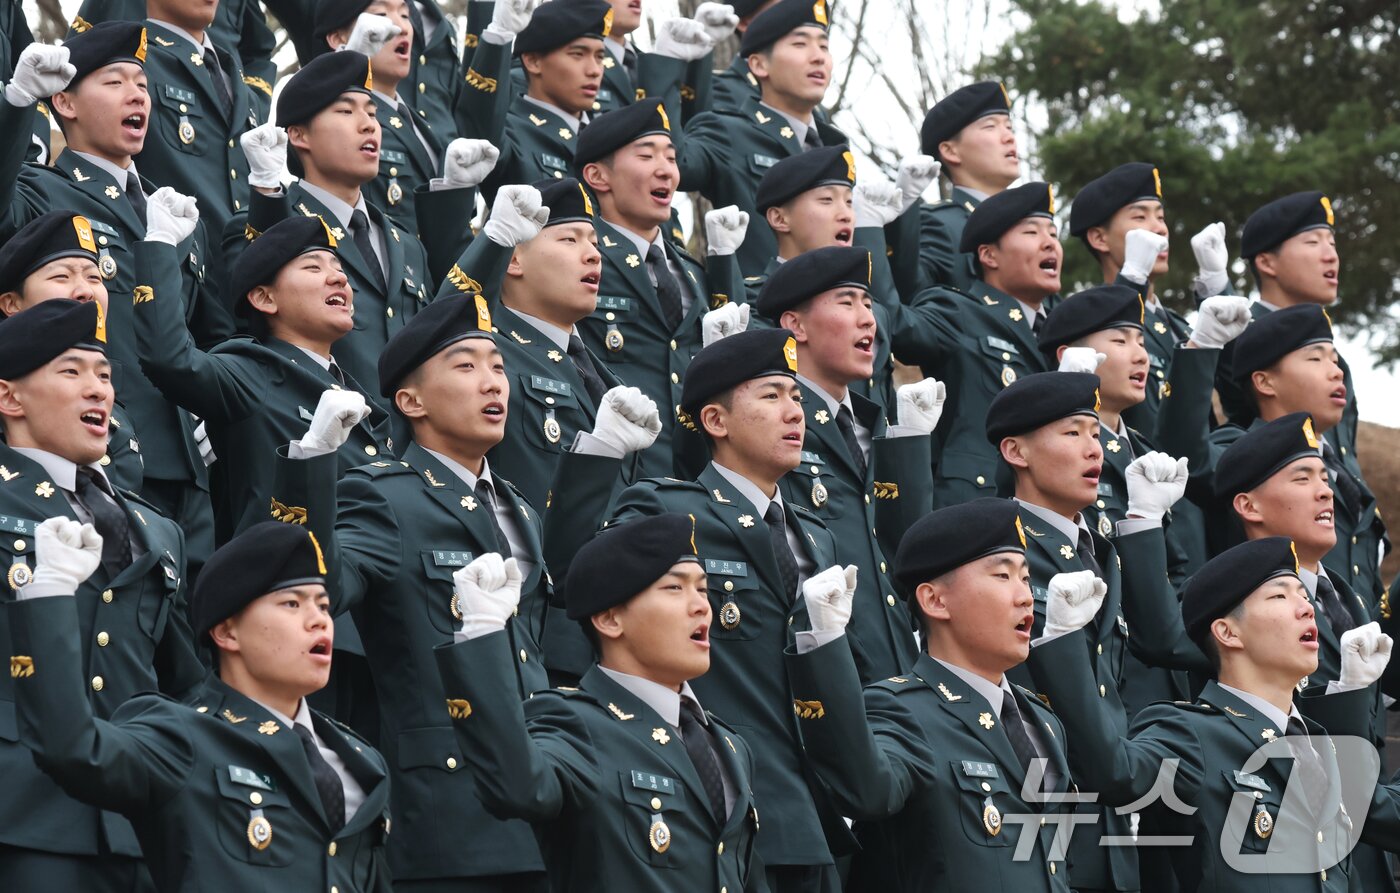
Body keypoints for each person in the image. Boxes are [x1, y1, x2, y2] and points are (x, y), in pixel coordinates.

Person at [269, 295, 656, 891]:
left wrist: (599, 454)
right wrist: (312, 463)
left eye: (498, 366)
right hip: (452, 806)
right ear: (411, 401)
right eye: (466, 365)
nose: (492, 382)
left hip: (543, 797)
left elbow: (564, 597)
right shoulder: (385, 497)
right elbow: (319, 585)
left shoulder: (518, 507)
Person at [8, 520, 393, 891]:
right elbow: (73, 748)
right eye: (292, 603)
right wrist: (49, 593)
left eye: (324, 606)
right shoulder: (183, 736)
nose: (319, 622)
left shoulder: (361, 759)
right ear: (227, 631)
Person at [609, 327, 852, 892]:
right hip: (725, 803)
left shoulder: (818, 539)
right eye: (771, 396)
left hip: (819, 814)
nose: (795, 412)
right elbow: (582, 582)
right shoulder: (667, 509)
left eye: (797, 397)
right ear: (716, 422)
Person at [1027, 536, 1400, 891]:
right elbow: (1113, 770)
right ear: (1227, 632)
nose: (1306, 607)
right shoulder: (1190, 733)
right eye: (1280, 596)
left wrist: (1350, 694)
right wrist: (1064, 640)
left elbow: (1389, 819)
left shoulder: (1318, 746)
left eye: (1304, 596)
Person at [0, 23, 233, 573]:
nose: (137, 96)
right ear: (65, 100)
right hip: (96, 446)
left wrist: (208, 404)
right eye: (115, 81)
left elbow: (212, 333)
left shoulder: (173, 209)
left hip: (189, 465)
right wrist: (15, 102)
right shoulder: (40, 190)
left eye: (144, 86)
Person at [434, 514, 764, 892]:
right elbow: (517, 786)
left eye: (704, 589)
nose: (702, 606)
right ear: (609, 620)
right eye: (675, 588)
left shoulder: (729, 745)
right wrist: (483, 634)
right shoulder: (574, 722)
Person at [0, 298, 203, 889]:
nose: (98, 391)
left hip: (138, 821)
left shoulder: (156, 526)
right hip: (22, 809)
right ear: (10, 397)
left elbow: (182, 675)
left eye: (105, 375)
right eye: (71, 372)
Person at [786, 498, 1078, 889]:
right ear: (935, 600)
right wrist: (825, 641)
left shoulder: (1043, 723)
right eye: (1003, 576)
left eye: (1026, 578)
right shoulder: (903, 711)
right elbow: (867, 789)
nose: (1026, 596)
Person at [133, 210, 391, 541]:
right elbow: (169, 359)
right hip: (283, 579)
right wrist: (161, 245)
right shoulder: (251, 372)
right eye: (313, 267)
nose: (339, 279)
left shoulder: (363, 401)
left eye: (340, 269)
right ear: (265, 298)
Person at [239, 49, 479, 396]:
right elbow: (249, 323)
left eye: (372, 113)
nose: (369, 124)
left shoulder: (407, 244)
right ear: (299, 135)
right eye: (346, 111)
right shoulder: (270, 221)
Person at [755, 245, 937, 681]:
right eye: (846, 302)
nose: (867, 319)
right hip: (825, 669)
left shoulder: (877, 427)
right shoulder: (771, 426)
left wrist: (911, 444)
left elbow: (905, 549)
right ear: (795, 325)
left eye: (869, 304)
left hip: (898, 665)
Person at [571, 98, 746, 477]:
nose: (666, 170)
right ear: (598, 176)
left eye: (670, 157)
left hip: (697, 479)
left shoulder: (693, 272)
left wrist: (723, 262)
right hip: (621, 474)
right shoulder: (580, 256)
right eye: (647, 156)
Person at [1198, 306, 1387, 613]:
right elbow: (1192, 460)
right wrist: (1201, 345)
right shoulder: (1238, 451)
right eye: (1315, 358)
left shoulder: (1341, 471)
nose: (1337, 372)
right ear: (1265, 382)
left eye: (1335, 360)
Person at [890, 181, 1059, 507]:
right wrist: (899, 213)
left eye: (1053, 233)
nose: (1050, 243)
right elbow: (895, 325)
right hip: (976, 506)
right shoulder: (958, 311)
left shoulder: (1064, 334)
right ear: (989, 254)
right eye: (1032, 233)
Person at [458, 0, 702, 201]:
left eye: (599, 56)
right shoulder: (513, 133)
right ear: (533, 61)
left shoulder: (609, 137)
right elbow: (479, 125)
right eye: (578, 54)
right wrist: (499, 35)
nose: (595, 70)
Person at [677, 0, 850, 275]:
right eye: (800, 44)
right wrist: (672, 61)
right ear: (757, 64)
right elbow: (676, 163)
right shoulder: (728, 128)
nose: (818, 56)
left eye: (824, 46)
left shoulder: (835, 144)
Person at [0, 210, 144, 493]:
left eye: (94, 277)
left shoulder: (119, 417)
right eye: (62, 276)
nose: (85, 292)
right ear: (11, 304)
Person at [906, 80, 1018, 294]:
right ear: (950, 151)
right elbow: (912, 292)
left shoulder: (1032, 227)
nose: (1009, 137)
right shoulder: (939, 225)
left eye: (1009, 127)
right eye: (991, 126)